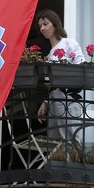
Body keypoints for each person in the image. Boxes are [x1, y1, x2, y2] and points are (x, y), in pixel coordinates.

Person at [34, 9, 85, 141]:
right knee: (55, 139)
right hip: (55, 99)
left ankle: (74, 162)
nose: (42, 28)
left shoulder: (69, 43)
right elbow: (51, 85)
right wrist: (46, 103)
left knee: (70, 137)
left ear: (55, 24)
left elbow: (81, 67)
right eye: (40, 26)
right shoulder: (50, 54)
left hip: (69, 95)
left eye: (45, 24)